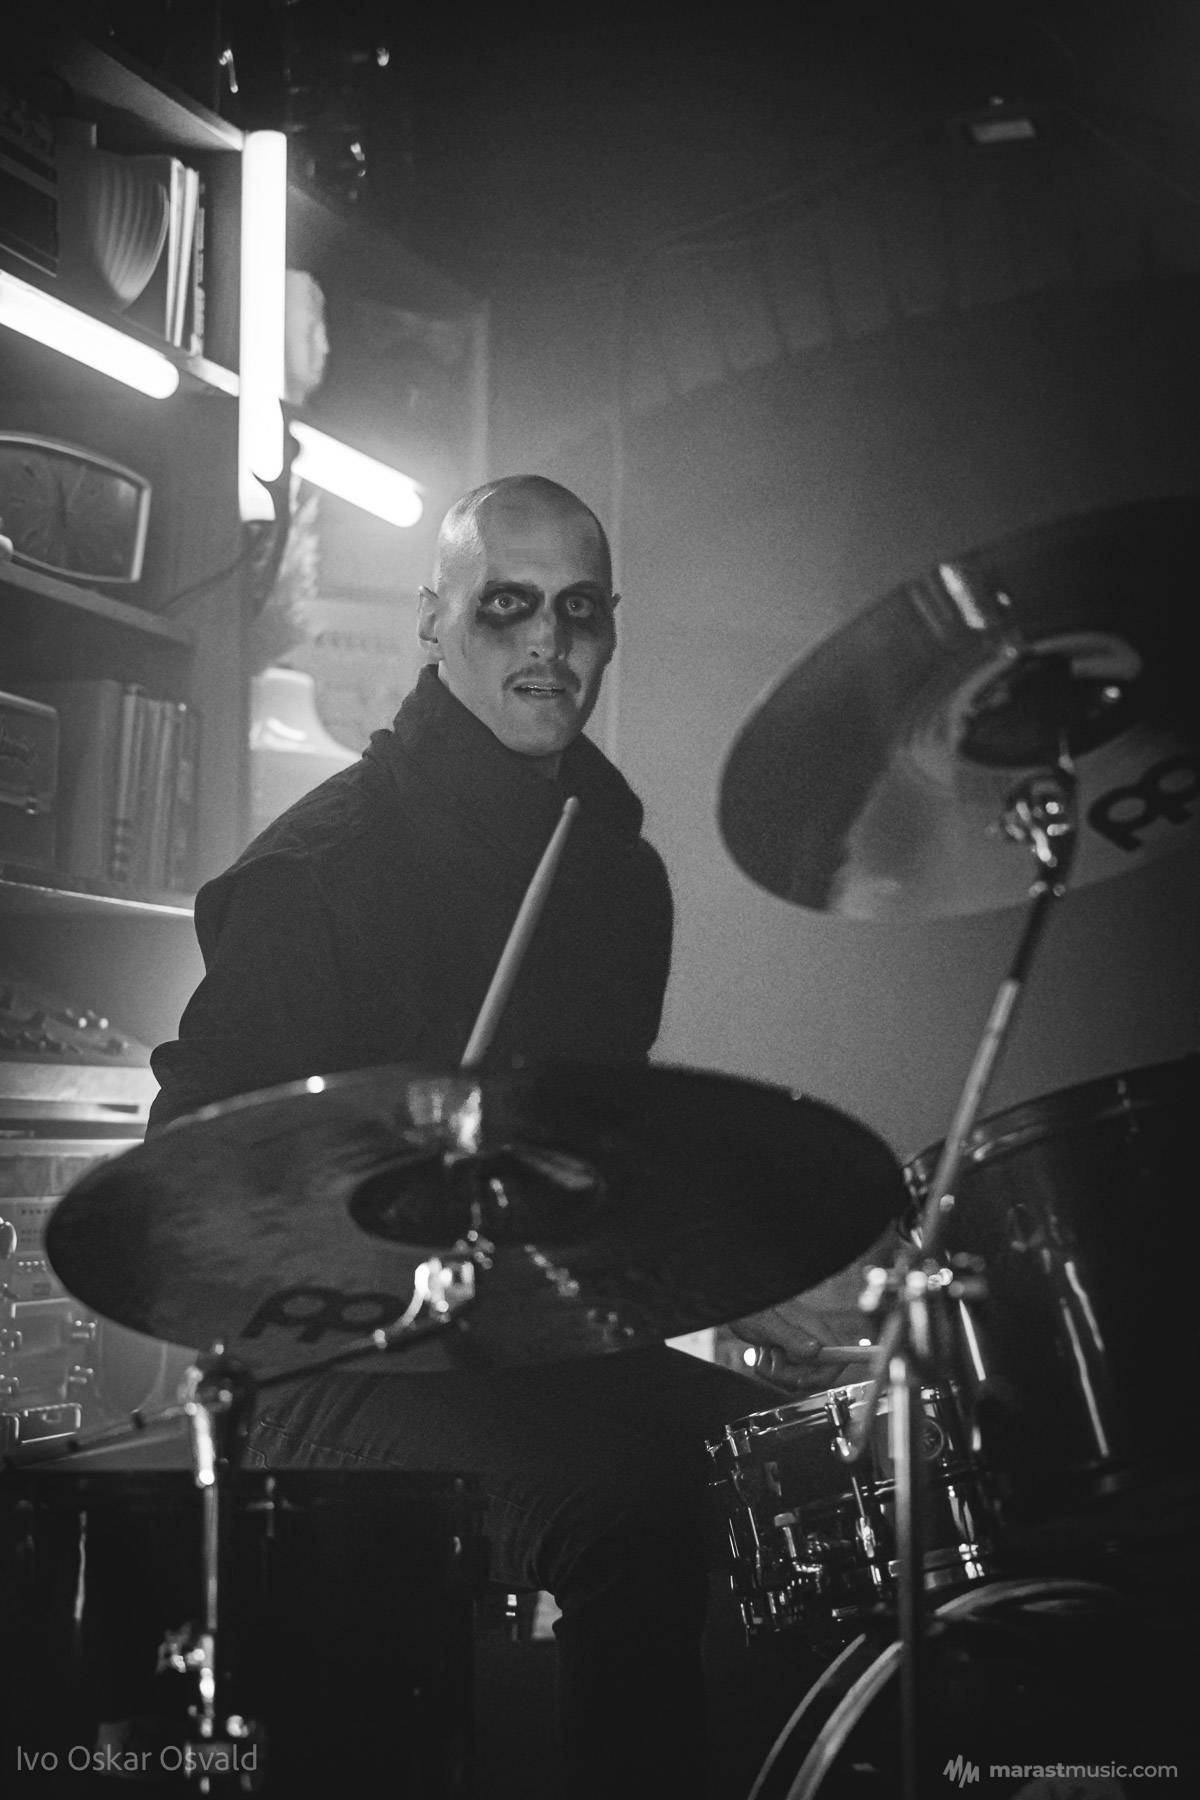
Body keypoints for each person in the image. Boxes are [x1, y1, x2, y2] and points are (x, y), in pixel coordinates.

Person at [149, 475, 788, 1798]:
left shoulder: (616, 878)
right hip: (316, 1363)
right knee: (631, 1507)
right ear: (435, 620)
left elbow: (585, 1167)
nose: (548, 641)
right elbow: (189, 1170)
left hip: (518, 1346)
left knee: (798, 1458)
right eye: (507, 607)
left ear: (612, 629)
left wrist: (701, 1265)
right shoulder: (324, 869)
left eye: (579, 610)